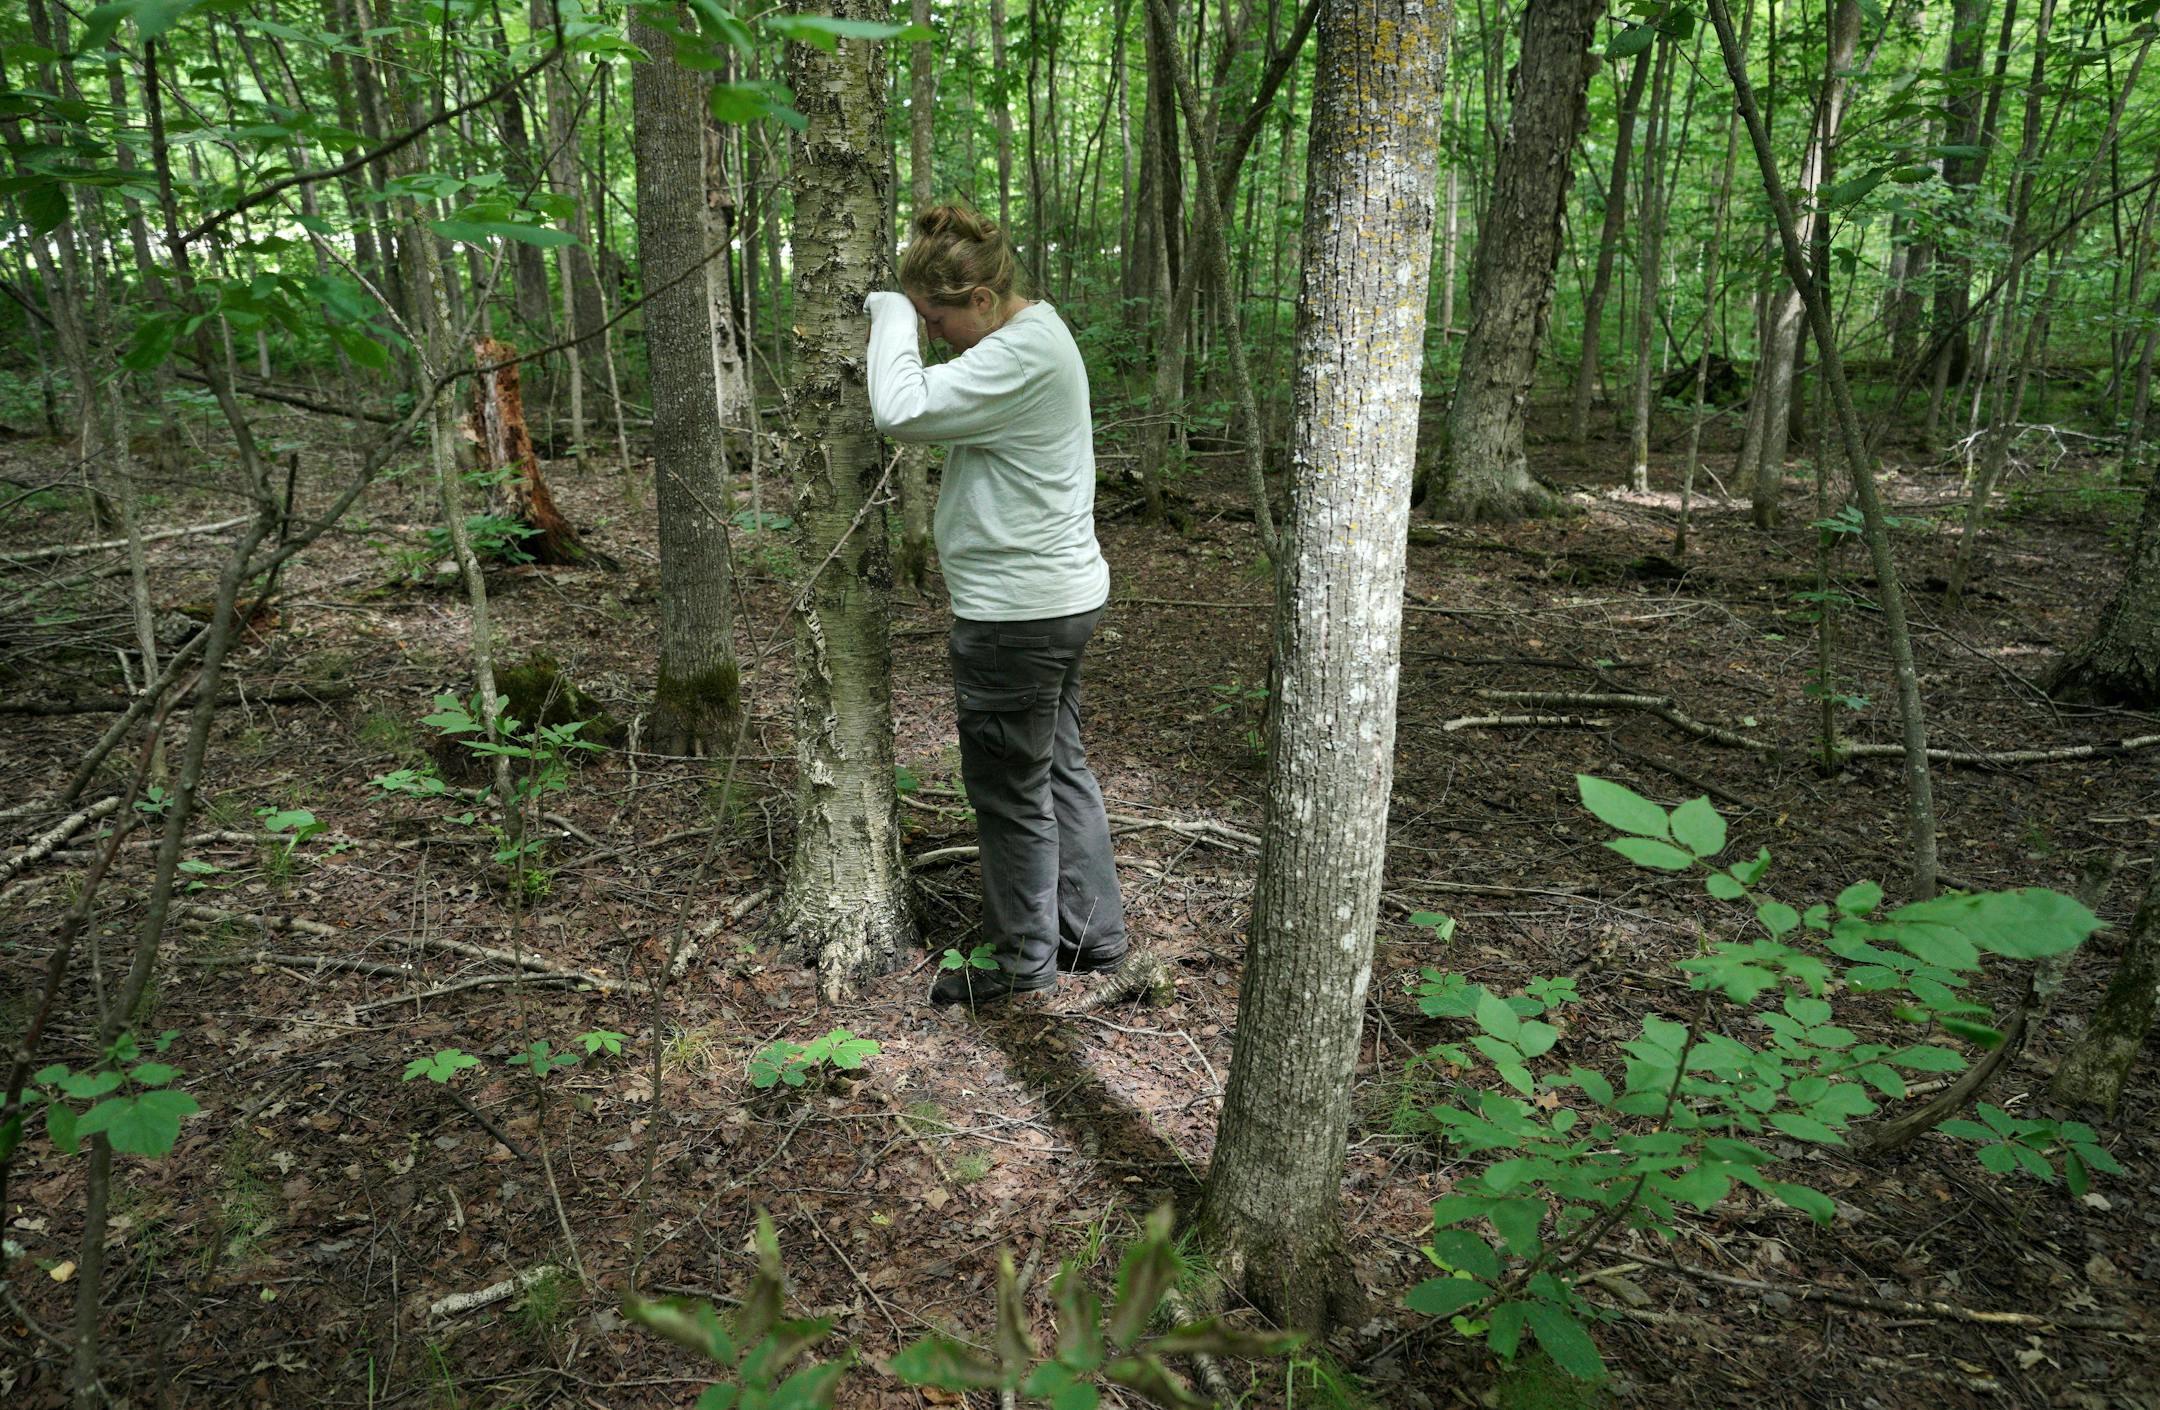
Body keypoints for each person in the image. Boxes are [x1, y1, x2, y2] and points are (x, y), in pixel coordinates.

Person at [864, 203, 1127, 1005]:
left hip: (1019, 613)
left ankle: (1021, 960)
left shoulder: (1022, 355)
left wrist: (885, 317)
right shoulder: (1030, 338)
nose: (933, 332)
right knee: (1056, 770)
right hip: (1052, 597)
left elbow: (900, 410)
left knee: (1010, 791)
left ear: (980, 299)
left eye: (936, 317)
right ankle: (1092, 934)